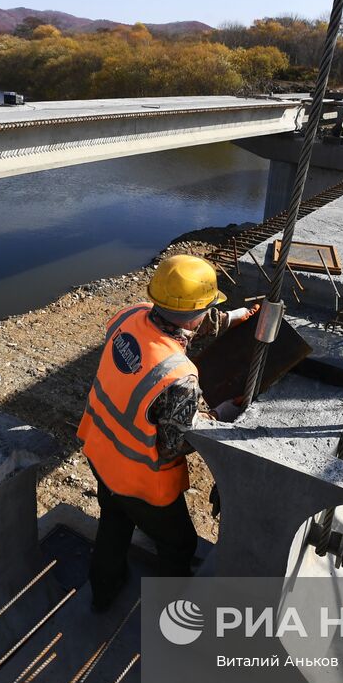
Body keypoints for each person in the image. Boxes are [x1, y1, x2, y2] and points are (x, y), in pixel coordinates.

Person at [78, 254, 259, 611]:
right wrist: (220, 414)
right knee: (178, 545)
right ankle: (173, 613)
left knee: (113, 520)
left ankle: (103, 592)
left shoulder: (132, 315)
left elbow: (182, 322)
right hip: (141, 481)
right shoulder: (179, 377)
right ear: (197, 311)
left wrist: (238, 318)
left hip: (101, 452)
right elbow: (173, 445)